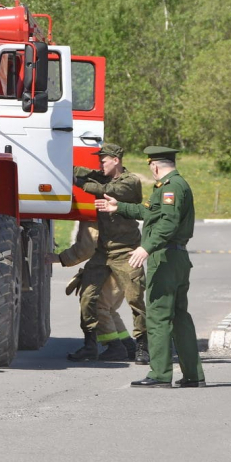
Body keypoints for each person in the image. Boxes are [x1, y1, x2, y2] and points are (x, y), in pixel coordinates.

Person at [96, 146, 205, 389]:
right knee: (179, 317)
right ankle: (193, 375)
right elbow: (150, 212)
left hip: (165, 257)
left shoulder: (172, 187)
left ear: (154, 166)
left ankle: (160, 375)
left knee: (157, 316)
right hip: (174, 257)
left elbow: (168, 222)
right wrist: (119, 207)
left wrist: (146, 248)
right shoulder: (171, 186)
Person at [53, 143, 146, 364]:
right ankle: (90, 345)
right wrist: (59, 166)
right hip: (103, 252)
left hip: (125, 251)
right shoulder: (102, 176)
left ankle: (143, 346)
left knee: (135, 299)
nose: (99, 164)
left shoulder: (130, 182)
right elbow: (81, 172)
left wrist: (81, 183)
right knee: (87, 297)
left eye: (103, 160)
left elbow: (108, 191)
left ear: (116, 160)